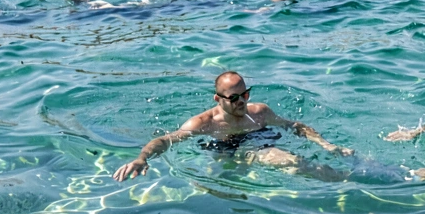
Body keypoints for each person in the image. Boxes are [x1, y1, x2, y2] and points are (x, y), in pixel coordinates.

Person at [112, 71, 354, 182]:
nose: (242, 102)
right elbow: (165, 140)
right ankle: (347, 180)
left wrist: (327, 144)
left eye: (245, 95)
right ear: (218, 100)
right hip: (223, 147)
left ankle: (345, 179)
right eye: (234, 98)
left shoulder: (259, 112)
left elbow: (296, 126)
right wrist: (142, 158)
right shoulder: (202, 123)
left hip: (259, 140)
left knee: (292, 162)